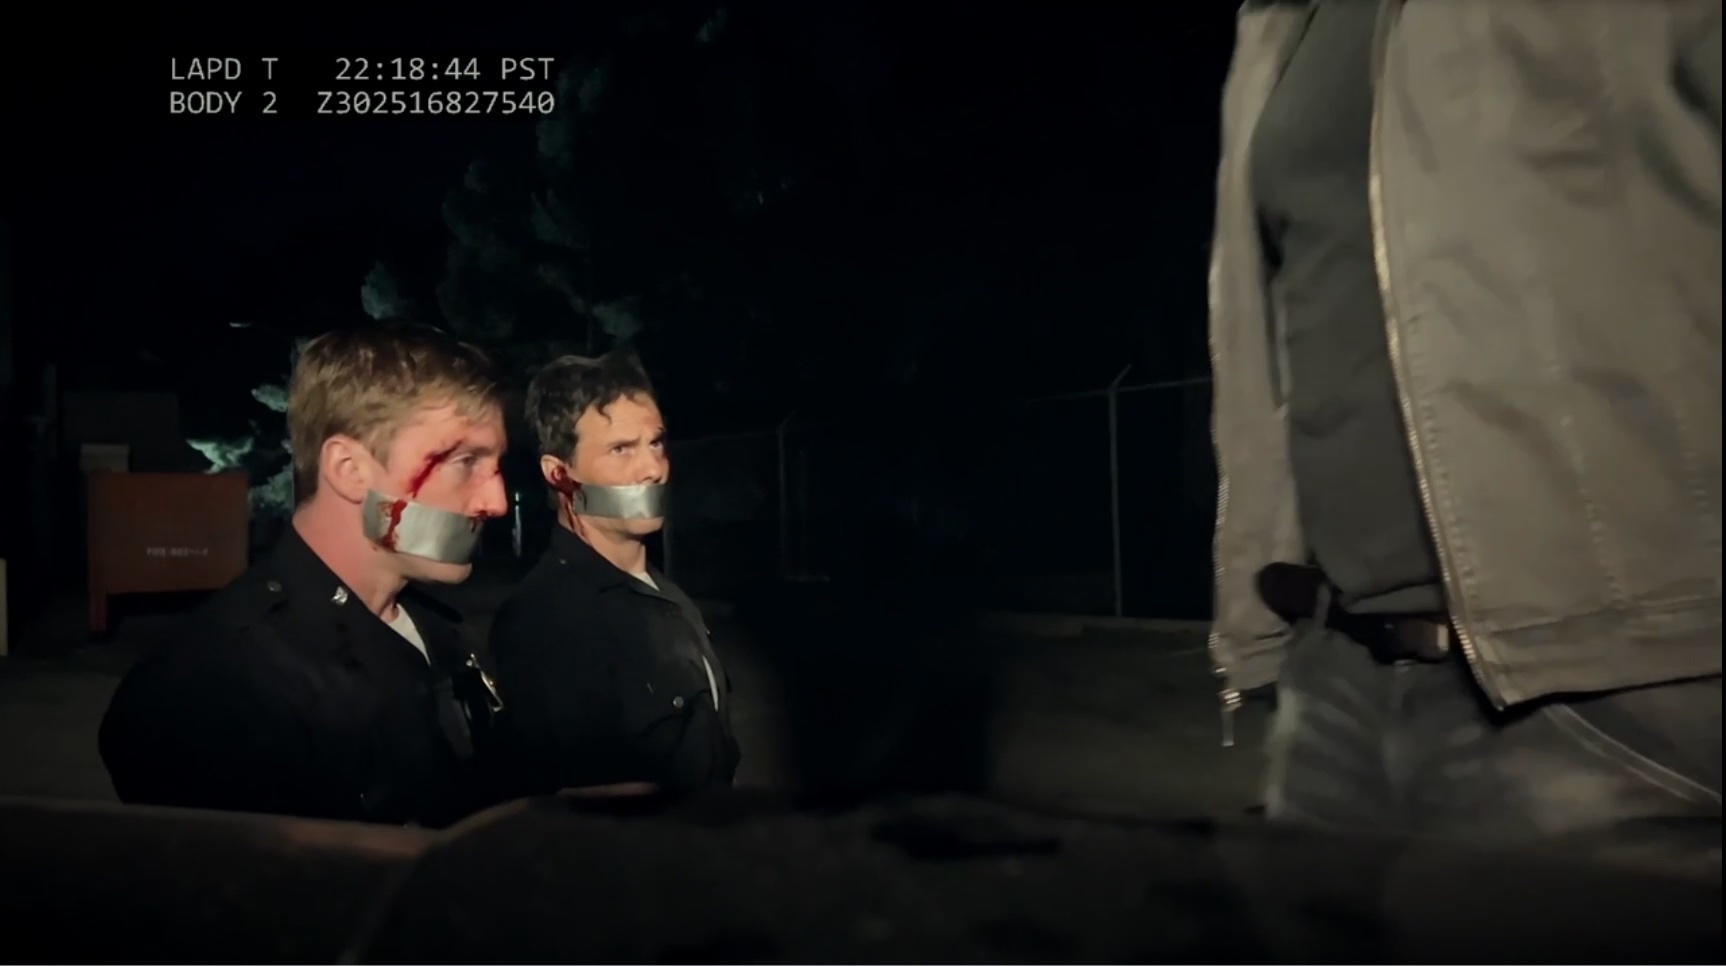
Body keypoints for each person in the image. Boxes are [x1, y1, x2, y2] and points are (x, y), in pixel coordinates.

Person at [1207, 0, 1722, 872]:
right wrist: (1257, 638)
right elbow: (1271, 334)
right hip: (1334, 679)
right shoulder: (1278, 22)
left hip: (1610, 681)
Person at [99, 324, 511, 828]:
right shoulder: (214, 692)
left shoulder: (437, 628)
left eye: (496, 464)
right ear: (349, 469)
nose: (495, 502)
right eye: (465, 462)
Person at [488, 352, 739, 798]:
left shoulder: (667, 597)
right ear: (559, 474)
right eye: (621, 449)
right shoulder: (546, 621)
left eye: (656, 444)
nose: (652, 468)